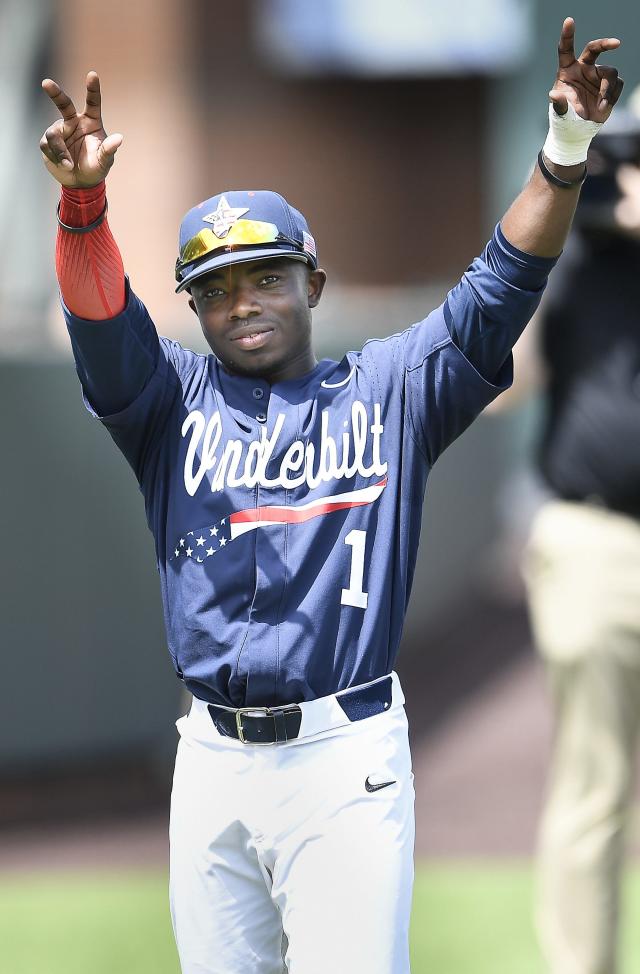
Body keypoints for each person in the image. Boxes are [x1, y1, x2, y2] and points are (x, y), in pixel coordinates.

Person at [40, 18, 622, 974]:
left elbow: (502, 284)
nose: (243, 303)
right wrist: (83, 209)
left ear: (313, 281)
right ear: (195, 306)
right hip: (213, 760)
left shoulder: (391, 389)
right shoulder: (168, 403)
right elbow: (102, 325)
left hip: (341, 759)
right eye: (217, 288)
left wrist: (563, 152)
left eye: (266, 276)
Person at [508, 109, 640, 974]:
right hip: (595, 540)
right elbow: (501, 382)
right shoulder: (578, 267)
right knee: (593, 791)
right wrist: (559, 215)